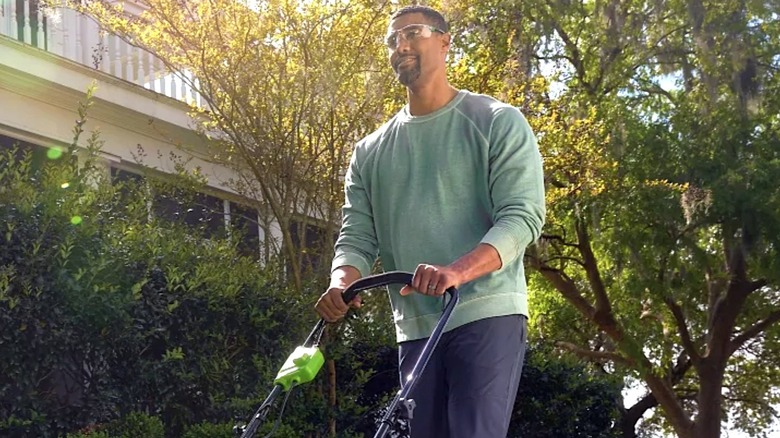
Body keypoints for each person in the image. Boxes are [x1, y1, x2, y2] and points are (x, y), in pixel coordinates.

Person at [315, 5, 545, 437]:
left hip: (485, 312)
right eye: (393, 39)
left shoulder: (495, 122)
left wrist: (456, 271)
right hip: (416, 324)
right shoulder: (370, 152)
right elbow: (357, 236)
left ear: (444, 42)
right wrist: (342, 280)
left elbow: (521, 218)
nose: (401, 45)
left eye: (414, 33)